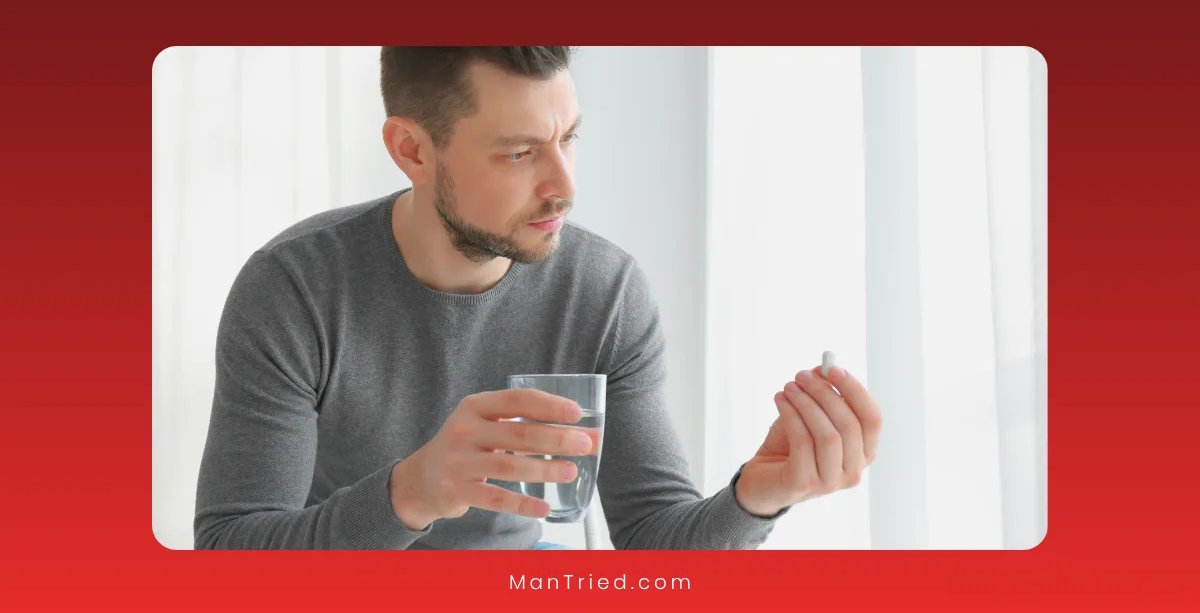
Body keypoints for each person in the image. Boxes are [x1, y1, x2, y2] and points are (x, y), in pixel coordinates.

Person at [193, 46, 883, 550]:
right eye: (520, 153)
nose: (565, 187)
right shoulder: (293, 290)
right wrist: (412, 491)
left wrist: (758, 497)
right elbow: (229, 552)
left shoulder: (604, 292)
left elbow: (654, 544)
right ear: (412, 150)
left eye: (569, 138)